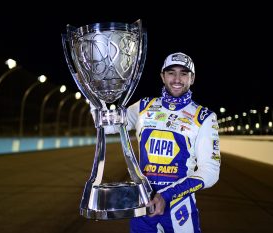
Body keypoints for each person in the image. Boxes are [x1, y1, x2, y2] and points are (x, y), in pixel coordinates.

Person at [90, 52, 221, 232]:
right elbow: (109, 126)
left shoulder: (204, 117)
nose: (177, 79)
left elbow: (210, 171)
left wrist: (166, 195)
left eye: (184, 73)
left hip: (178, 206)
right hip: (143, 204)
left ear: (192, 78)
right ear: (162, 76)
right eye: (171, 72)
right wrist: (93, 95)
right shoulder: (144, 106)